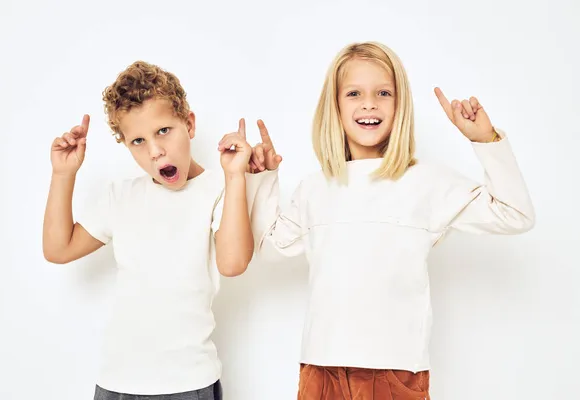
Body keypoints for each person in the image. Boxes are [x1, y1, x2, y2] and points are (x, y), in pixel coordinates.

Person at [247, 41, 535, 399]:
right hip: (321, 370)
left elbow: (515, 214)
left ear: (401, 107)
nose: (369, 103)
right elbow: (269, 248)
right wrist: (262, 179)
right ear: (334, 107)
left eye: (384, 92)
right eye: (354, 93)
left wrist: (485, 141)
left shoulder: (425, 182)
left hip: (395, 372)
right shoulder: (315, 187)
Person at [42, 60, 257, 400]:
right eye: (138, 141)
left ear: (188, 123)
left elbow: (233, 264)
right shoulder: (122, 196)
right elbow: (59, 248)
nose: (155, 151)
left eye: (163, 131)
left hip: (187, 382)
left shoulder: (218, 189)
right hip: (117, 382)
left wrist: (235, 178)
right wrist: (63, 175)